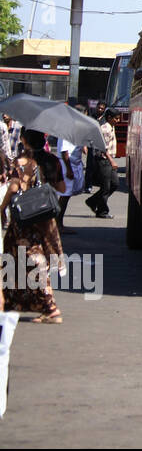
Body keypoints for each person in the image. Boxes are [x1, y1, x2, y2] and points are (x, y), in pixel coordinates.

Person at [2, 131, 69, 323]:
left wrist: (2, 208)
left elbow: (15, 188)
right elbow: (62, 189)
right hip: (46, 218)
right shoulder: (53, 161)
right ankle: (20, 303)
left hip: (25, 220)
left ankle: (50, 306)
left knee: (31, 258)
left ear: (24, 141)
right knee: (38, 257)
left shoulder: (23, 162)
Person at [83, 111, 117, 219]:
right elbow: (104, 148)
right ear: (109, 117)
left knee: (114, 184)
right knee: (106, 186)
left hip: (108, 160)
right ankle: (102, 211)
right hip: (104, 160)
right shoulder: (105, 129)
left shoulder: (111, 127)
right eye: (116, 118)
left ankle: (92, 201)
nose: (118, 120)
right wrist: (111, 160)